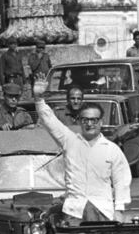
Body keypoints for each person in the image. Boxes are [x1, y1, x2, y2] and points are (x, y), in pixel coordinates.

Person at [33, 77, 132, 224]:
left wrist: (119, 210)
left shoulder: (112, 150)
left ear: (101, 122)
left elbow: (121, 180)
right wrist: (39, 99)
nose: (90, 124)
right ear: (80, 121)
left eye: (94, 120)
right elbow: (49, 121)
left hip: (103, 211)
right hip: (74, 212)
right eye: (86, 120)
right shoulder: (70, 141)